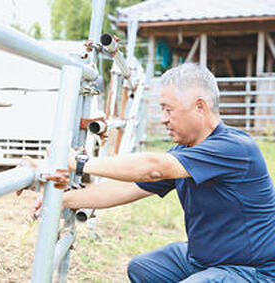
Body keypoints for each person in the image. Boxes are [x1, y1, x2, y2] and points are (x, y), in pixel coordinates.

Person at [32, 63, 275, 282]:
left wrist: (81, 163)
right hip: (201, 260)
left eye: (169, 110)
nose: (163, 119)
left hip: (251, 270)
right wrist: (61, 200)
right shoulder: (186, 152)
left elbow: (154, 168)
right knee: (144, 268)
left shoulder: (235, 148)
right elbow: (129, 188)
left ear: (200, 107)